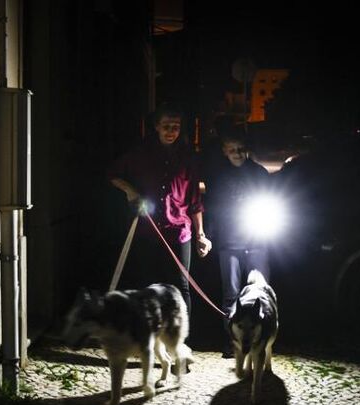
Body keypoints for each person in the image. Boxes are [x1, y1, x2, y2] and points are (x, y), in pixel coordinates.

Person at [107, 104, 212, 320]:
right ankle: (151, 336)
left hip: (180, 231)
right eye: (166, 126)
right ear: (156, 127)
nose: (171, 131)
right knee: (149, 284)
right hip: (149, 230)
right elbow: (113, 174)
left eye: (175, 127)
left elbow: (194, 201)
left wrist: (201, 235)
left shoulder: (188, 158)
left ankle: (181, 339)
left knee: (181, 286)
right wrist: (130, 191)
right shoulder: (140, 154)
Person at [204, 128, 272, 357]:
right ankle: (232, 341)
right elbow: (212, 205)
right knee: (231, 294)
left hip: (258, 239)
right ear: (224, 151)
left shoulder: (260, 173)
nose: (237, 153)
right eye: (232, 150)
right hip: (229, 242)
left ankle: (261, 337)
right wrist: (211, 232)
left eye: (240, 149)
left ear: (247, 149)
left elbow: (273, 198)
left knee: (260, 290)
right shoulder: (219, 176)